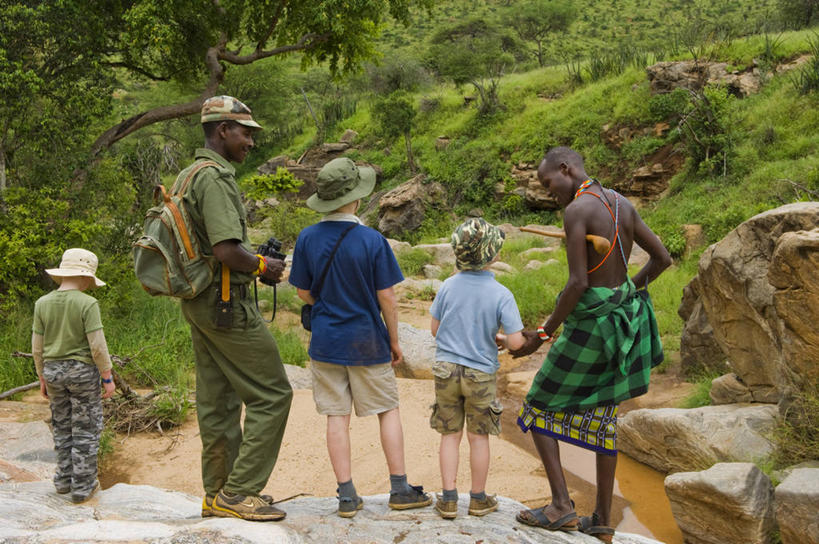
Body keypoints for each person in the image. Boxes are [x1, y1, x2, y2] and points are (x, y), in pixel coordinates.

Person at [511, 147, 671, 543]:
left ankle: (561, 506)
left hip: (590, 329)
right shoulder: (620, 202)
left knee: (537, 404)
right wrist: (624, 296)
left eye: (550, 183)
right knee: (602, 418)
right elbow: (662, 259)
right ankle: (601, 518)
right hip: (621, 325)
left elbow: (578, 283)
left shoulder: (578, 210)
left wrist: (543, 335)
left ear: (566, 169)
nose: (550, 192)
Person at [289, 157, 431, 518]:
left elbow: (303, 292)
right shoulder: (372, 240)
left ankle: (347, 497)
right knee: (387, 410)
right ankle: (399, 488)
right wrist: (395, 341)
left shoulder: (307, 237)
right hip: (368, 340)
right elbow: (387, 297)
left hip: (326, 342)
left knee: (337, 416)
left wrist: (327, 303)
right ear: (354, 198)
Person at [180, 96, 292, 521]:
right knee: (273, 394)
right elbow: (226, 250)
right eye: (246, 132)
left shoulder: (188, 175)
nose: (250, 141)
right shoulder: (214, 178)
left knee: (220, 403)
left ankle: (217, 494)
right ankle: (239, 492)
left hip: (201, 304)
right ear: (222, 129)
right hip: (227, 306)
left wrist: (252, 262)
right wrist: (264, 265)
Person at [429, 218, 526, 519]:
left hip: (446, 369)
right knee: (478, 436)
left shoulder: (447, 286)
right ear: (493, 255)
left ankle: (447, 500)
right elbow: (516, 342)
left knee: (449, 434)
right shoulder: (501, 294)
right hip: (480, 374)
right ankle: (478, 499)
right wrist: (500, 337)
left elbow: (435, 329)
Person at [32, 248, 116, 503]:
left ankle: (62, 481)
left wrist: (42, 377)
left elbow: (37, 347)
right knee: (86, 428)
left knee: (62, 425)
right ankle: (82, 487)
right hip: (81, 372)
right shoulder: (87, 303)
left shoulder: (42, 303)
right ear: (84, 277)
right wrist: (107, 377)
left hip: (53, 371)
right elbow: (97, 346)